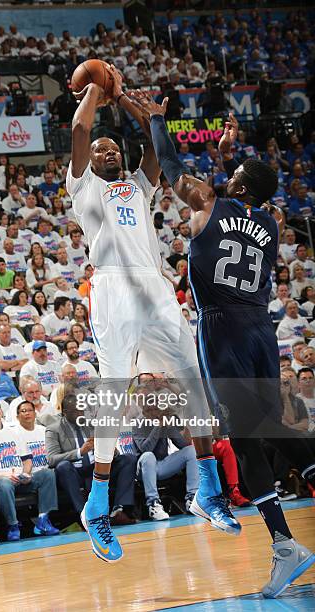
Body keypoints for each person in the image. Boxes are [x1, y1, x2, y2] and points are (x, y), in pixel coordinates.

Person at [136, 97, 315, 597]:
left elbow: (172, 167)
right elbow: (239, 205)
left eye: (231, 171)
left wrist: (155, 118)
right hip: (261, 328)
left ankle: (284, 545)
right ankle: (285, 541)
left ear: (235, 185)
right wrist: (222, 158)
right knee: (268, 424)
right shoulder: (274, 223)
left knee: (242, 436)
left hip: (223, 329)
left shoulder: (208, 202)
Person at [66, 67, 239, 563]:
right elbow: (80, 131)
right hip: (112, 285)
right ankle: (96, 506)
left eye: (112, 150)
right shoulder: (84, 189)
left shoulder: (138, 187)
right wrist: (99, 88)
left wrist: (142, 112)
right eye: (102, 152)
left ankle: (208, 490)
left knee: (193, 383)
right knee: (115, 391)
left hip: (155, 285)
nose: (108, 153)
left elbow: (151, 151)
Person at [0, 397, 59, 541]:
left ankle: (43, 520)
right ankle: (13, 525)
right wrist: (5, 476)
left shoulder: (14, 432)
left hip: (20, 480)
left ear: (2, 412)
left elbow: (27, 460)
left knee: (47, 474)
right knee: (5, 484)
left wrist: (26, 473)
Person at [46, 394, 136, 525]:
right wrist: (80, 452)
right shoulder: (54, 429)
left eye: (82, 409)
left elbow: (111, 450)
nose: (81, 413)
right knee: (63, 466)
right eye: (76, 410)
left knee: (128, 459)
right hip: (75, 472)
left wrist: (109, 449)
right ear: (65, 412)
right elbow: (52, 459)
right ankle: (85, 516)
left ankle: (119, 509)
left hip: (97, 467)